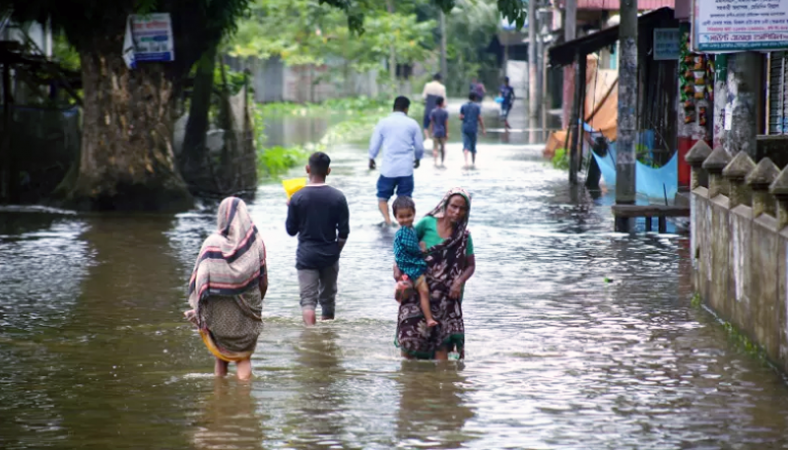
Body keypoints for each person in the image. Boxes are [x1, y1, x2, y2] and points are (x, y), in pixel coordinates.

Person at [185, 196, 268, 380]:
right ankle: (244, 404)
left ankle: (220, 400)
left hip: (217, 318)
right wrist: (253, 309)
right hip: (247, 317)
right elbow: (263, 282)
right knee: (243, 359)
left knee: (220, 359)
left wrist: (201, 312)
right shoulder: (255, 242)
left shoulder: (211, 243)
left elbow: (200, 284)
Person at [394, 187, 476, 360]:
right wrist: (396, 267)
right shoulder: (427, 223)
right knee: (410, 338)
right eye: (453, 206)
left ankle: (442, 381)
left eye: (462, 209)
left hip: (446, 296)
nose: (456, 211)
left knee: (442, 345)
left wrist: (459, 282)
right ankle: (410, 381)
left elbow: (470, 266)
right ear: (445, 205)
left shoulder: (464, 237)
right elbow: (404, 244)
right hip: (418, 286)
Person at [286, 152, 350, 326]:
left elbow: (291, 231)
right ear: (328, 171)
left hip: (306, 255)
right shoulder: (338, 197)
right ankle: (326, 341)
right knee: (328, 300)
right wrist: (336, 251)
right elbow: (344, 232)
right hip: (330, 255)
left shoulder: (297, 198)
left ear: (308, 169)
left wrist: (290, 207)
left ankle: (311, 339)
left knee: (308, 301)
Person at [369, 96, 425, 226]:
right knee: (404, 200)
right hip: (406, 169)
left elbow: (375, 143)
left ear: (393, 107)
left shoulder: (383, 123)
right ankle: (403, 225)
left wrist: (371, 158)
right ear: (406, 109)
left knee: (382, 198)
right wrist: (417, 159)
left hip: (388, 169)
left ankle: (388, 221)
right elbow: (419, 147)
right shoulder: (412, 124)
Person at [392, 196, 437, 328]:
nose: (405, 219)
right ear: (396, 217)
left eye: (409, 215)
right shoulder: (404, 232)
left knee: (408, 286)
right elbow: (412, 248)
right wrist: (422, 249)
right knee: (424, 291)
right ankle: (429, 319)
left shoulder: (411, 230)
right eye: (401, 217)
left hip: (405, 268)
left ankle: (402, 287)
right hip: (411, 267)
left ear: (414, 213)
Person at [460, 92, 486, 169]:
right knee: (473, 146)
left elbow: (460, 117)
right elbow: (479, 118)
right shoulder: (477, 107)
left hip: (465, 128)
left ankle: (466, 162)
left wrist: (464, 118)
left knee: (465, 145)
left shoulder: (463, 106)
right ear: (475, 98)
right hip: (473, 129)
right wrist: (483, 129)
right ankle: (473, 162)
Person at [421, 73, 447, 140]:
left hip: (428, 108)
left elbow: (424, 97)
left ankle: (427, 138)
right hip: (437, 110)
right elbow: (444, 100)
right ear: (440, 79)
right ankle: (434, 138)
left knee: (426, 125)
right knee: (437, 124)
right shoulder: (442, 87)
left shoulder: (427, 85)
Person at [428, 96, 449, 167]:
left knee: (435, 148)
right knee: (443, 148)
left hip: (435, 132)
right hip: (442, 132)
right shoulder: (445, 112)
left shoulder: (433, 111)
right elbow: (446, 123)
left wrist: (431, 132)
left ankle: (435, 162)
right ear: (442, 103)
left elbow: (432, 123)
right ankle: (442, 162)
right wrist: (447, 133)